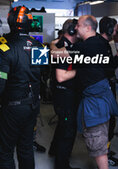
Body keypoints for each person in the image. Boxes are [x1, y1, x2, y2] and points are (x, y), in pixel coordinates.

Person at [51, 15, 118, 169]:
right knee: (95, 137)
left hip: (95, 99)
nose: (76, 28)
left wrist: (53, 45)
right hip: (99, 95)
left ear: (88, 28)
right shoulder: (99, 43)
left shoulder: (86, 46)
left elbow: (55, 54)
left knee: (96, 139)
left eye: (79, 25)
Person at [0, 6, 42, 169]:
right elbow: (41, 77)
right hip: (32, 106)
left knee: (3, 152)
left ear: (10, 23)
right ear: (29, 23)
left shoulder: (4, 49)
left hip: (12, 109)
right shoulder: (39, 47)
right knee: (26, 148)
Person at [49, 19, 80, 169]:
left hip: (64, 93)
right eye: (79, 27)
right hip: (65, 94)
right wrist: (80, 71)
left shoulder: (63, 45)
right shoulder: (64, 48)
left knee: (63, 125)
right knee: (68, 129)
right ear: (73, 30)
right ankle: (62, 164)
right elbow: (61, 76)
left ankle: (54, 150)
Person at [98, 17, 118, 167]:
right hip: (103, 89)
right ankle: (104, 155)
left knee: (110, 122)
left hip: (106, 88)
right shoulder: (101, 45)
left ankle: (105, 150)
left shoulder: (103, 44)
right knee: (107, 123)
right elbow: (107, 69)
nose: (116, 31)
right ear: (108, 28)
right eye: (114, 28)